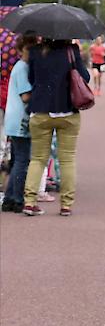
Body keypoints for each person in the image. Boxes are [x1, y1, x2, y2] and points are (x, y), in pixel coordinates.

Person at [22, 39, 91, 216]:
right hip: (67, 111)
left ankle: (30, 201)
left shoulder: (35, 51)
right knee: (67, 159)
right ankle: (66, 205)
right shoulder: (71, 50)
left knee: (37, 158)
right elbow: (85, 77)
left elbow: (31, 78)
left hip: (40, 110)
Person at [1, 33, 37, 213]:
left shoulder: (20, 66)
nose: (30, 52)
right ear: (20, 50)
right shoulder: (23, 68)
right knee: (22, 161)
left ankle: (8, 198)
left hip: (14, 119)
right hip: (20, 121)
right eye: (27, 49)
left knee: (17, 160)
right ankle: (16, 198)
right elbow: (25, 96)